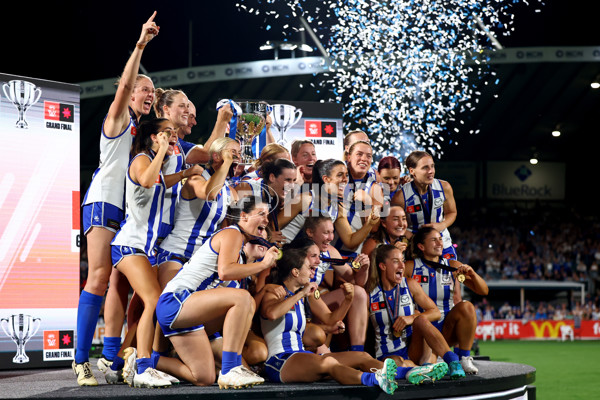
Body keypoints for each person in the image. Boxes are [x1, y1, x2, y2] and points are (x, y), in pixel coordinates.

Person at [75, 12, 159, 386]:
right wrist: (140, 45)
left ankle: (111, 356)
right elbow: (124, 87)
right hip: (103, 203)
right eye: (145, 89)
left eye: (152, 93)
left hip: (127, 213)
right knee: (98, 277)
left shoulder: (143, 135)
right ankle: (81, 361)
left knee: (117, 284)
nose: (148, 94)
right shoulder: (117, 121)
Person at [154, 196, 280, 388]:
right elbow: (225, 271)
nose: (266, 220)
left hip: (189, 313)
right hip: (176, 302)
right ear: (244, 216)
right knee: (243, 299)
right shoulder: (233, 233)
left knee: (203, 378)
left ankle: (144, 361)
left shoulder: (239, 252)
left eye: (267, 216)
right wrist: (262, 265)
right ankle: (231, 368)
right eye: (261, 214)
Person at [260, 242, 399, 395]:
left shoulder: (304, 295)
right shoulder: (274, 293)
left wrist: (348, 300)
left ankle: (406, 373)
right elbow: (271, 314)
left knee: (362, 356)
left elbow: (330, 319)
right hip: (280, 361)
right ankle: (375, 380)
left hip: (302, 356)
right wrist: (300, 294)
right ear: (295, 272)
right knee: (328, 362)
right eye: (309, 268)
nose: (313, 272)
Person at [110, 117, 181, 388]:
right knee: (154, 300)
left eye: (174, 133)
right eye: (167, 133)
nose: (173, 136)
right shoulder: (142, 158)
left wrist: (185, 174)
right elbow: (148, 180)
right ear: (153, 137)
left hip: (146, 249)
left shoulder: (155, 163)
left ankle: (118, 364)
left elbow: (162, 180)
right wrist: (163, 150)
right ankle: (143, 367)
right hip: (131, 245)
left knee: (144, 310)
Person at [366, 244, 466, 382]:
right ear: (382, 266)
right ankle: (422, 369)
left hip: (414, 349)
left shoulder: (409, 284)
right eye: (396, 261)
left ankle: (452, 361)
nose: (402, 265)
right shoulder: (369, 294)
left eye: (402, 260)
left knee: (420, 318)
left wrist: (411, 318)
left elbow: (435, 312)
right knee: (394, 362)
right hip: (388, 354)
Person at [405, 227, 489, 374]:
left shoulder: (452, 266)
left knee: (467, 307)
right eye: (434, 240)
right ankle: (437, 359)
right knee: (427, 364)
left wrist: (473, 274)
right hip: (422, 331)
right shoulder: (410, 267)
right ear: (421, 246)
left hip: (446, 330)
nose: (439, 243)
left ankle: (464, 359)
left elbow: (483, 291)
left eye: (440, 239)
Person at [302, 216, 370, 353]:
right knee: (325, 360)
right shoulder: (297, 251)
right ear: (310, 233)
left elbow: (357, 281)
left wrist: (364, 268)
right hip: (299, 307)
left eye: (332, 232)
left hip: (315, 304)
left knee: (359, 293)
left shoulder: (330, 251)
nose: (331, 237)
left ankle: (357, 352)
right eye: (326, 232)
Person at [279, 159, 379, 252]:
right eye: (340, 175)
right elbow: (273, 226)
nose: (345, 179)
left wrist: (369, 224)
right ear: (326, 179)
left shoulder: (337, 208)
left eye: (346, 175)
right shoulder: (304, 199)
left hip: (304, 255)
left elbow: (350, 241)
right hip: (285, 253)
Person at [391, 150, 458, 260]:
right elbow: (394, 225)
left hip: (442, 243)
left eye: (432, 166)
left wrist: (441, 225)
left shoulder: (444, 187)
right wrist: (413, 237)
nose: (431, 171)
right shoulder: (401, 197)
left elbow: (452, 212)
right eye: (425, 167)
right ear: (412, 171)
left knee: (453, 274)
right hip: (415, 246)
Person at [334, 141, 384, 258]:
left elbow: (374, 227)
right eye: (359, 154)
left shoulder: (376, 188)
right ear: (349, 157)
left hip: (354, 253)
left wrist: (368, 203)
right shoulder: (336, 178)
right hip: (328, 247)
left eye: (368, 156)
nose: (364, 159)